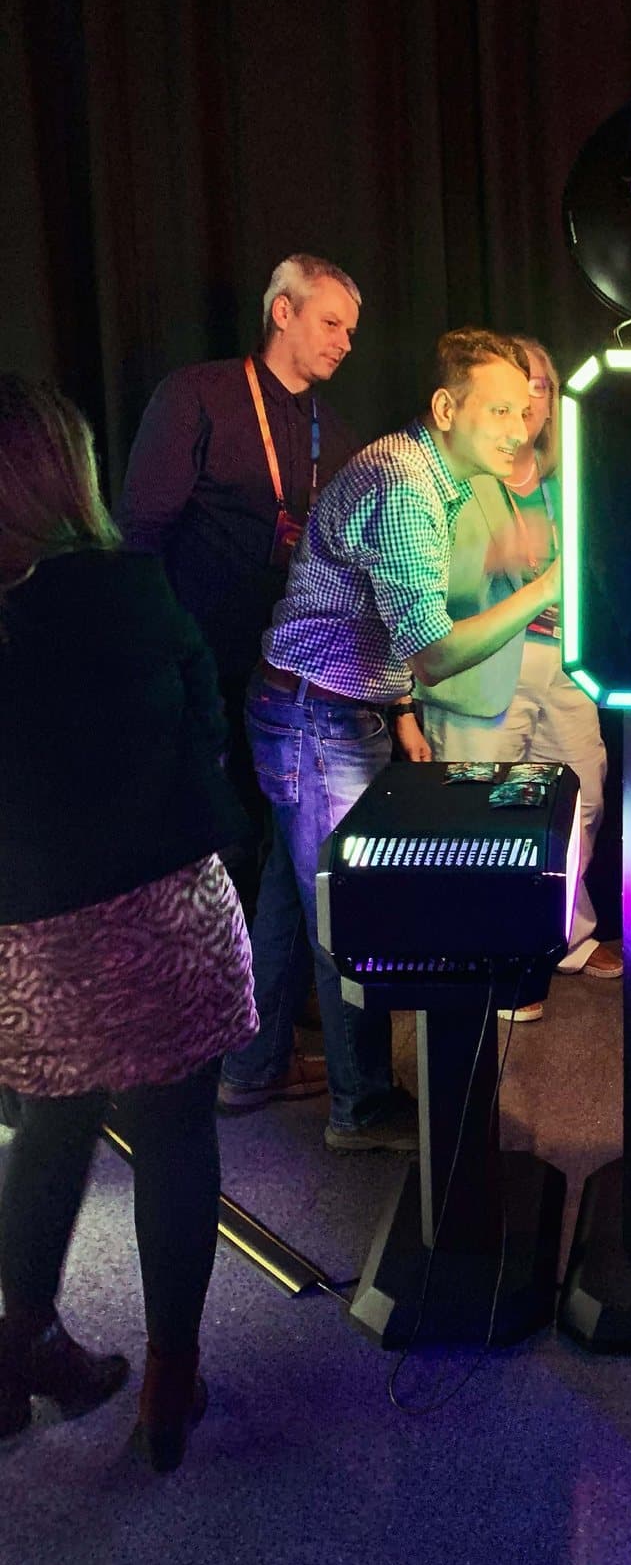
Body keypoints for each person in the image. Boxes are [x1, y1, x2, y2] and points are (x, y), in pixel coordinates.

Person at [0, 376, 255, 1472]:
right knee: (175, 1135)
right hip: (163, 908)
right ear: (67, 470)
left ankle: (19, 1350)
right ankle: (168, 1379)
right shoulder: (136, 590)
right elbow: (206, 735)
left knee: (46, 1132)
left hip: (33, 932)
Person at [228, 329, 559, 1150]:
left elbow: (384, 623)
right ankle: (362, 1108)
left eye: (525, 411)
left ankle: (254, 1067)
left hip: (316, 707)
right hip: (317, 717)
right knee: (347, 914)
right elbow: (435, 650)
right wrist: (557, 583)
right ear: (447, 409)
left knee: (288, 902)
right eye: (500, 411)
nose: (521, 429)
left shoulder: (431, 474)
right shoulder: (404, 485)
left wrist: (399, 711)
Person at [119, 255, 364, 1111]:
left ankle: (258, 1043)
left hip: (293, 682)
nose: (344, 342)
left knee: (280, 857)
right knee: (218, 849)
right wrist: (160, 661)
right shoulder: (200, 395)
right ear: (284, 311)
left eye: (352, 331)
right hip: (201, 672)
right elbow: (140, 531)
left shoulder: (331, 425)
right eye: (331, 323)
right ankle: (204, 1043)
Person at [415, 336, 619, 1022]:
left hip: (568, 660)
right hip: (483, 668)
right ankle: (499, 956)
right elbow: (431, 597)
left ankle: (561, 935)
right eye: (518, 387)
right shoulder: (458, 474)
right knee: (487, 814)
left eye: (541, 386)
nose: (529, 400)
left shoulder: (569, 473)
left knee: (583, 797)